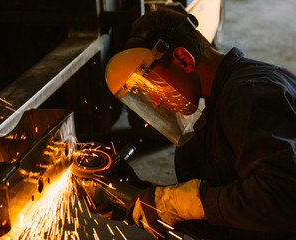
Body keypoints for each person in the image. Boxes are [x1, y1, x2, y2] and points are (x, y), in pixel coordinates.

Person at [104, 7, 296, 240]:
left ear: (183, 60)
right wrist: (135, 196)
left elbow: (283, 197)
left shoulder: (250, 94)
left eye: (152, 87)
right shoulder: (216, 109)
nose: (154, 102)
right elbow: (223, 213)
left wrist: (180, 201)